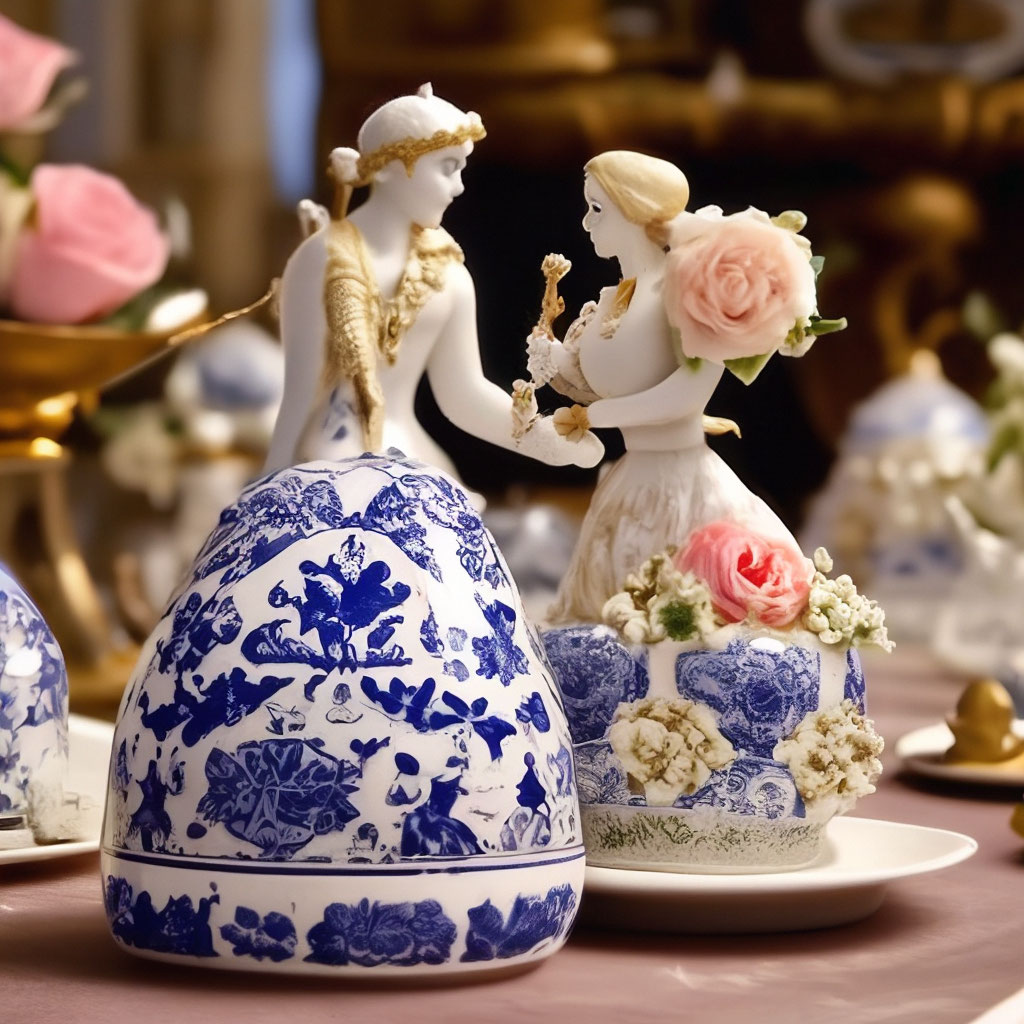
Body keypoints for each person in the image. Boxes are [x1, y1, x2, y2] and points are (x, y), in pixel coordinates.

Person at [264, 84, 601, 489]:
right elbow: (300, 393)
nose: (459, 186)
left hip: (411, 460)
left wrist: (541, 439)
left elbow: (463, 395)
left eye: (461, 169)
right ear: (389, 166)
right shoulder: (319, 259)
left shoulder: (448, 274)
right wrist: (271, 479)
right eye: (446, 168)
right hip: (323, 467)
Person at [527, 150, 796, 624]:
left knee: (679, 605)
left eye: (597, 209)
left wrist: (596, 417)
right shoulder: (615, 298)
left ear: (636, 211)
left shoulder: (687, 291)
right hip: (631, 477)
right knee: (614, 609)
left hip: (681, 479)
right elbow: (607, 377)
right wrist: (558, 360)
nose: (586, 223)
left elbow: (687, 396)